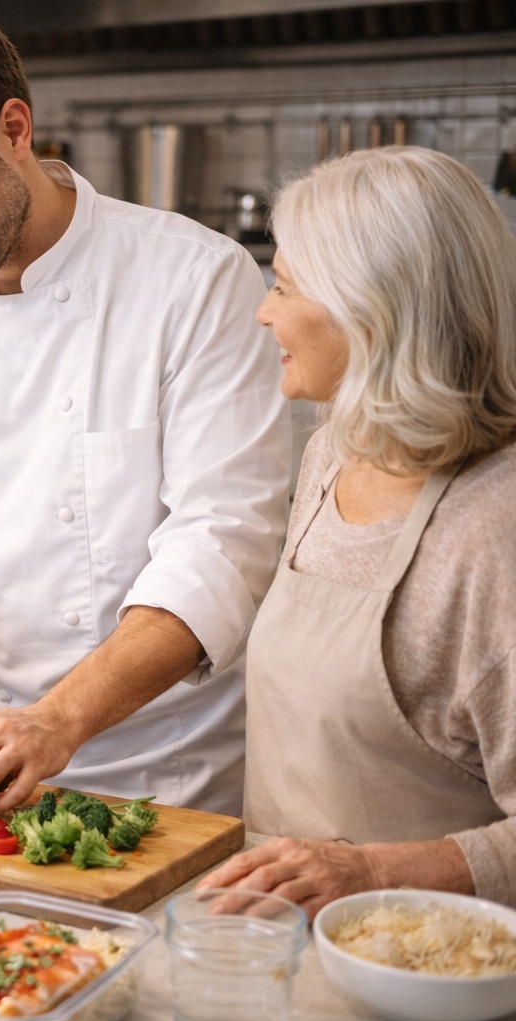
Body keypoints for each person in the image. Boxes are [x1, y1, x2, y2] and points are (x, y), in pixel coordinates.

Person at [0, 5, 291, 816]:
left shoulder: (195, 280)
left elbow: (223, 543)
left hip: (156, 766)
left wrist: (58, 719)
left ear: (12, 129)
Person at [199, 147, 516, 915]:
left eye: (283, 286)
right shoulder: (332, 455)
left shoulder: (495, 531)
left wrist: (370, 873)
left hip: (430, 975)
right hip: (284, 950)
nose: (264, 312)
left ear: (371, 308)